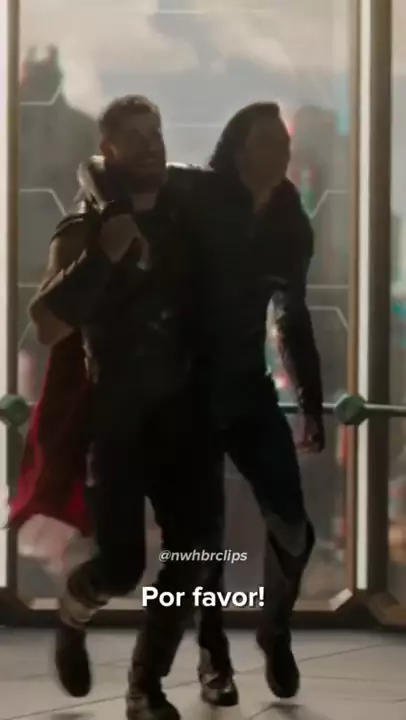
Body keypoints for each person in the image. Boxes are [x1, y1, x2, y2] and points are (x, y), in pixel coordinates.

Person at [28, 94, 223, 720]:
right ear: (109, 147)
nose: (151, 144)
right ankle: (75, 610)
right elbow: (47, 324)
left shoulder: (182, 212)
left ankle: (146, 684)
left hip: (180, 414)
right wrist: (104, 253)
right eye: (134, 135)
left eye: (156, 131)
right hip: (115, 418)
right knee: (120, 568)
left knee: (194, 551)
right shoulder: (84, 230)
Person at [171, 102, 324, 706]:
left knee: (293, 526)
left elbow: (292, 314)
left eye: (283, 144)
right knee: (202, 534)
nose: (281, 154)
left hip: (247, 387)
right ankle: (213, 654)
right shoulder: (198, 194)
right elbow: (102, 172)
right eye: (267, 143)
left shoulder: (289, 218)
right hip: (186, 390)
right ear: (238, 149)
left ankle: (274, 628)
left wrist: (310, 402)